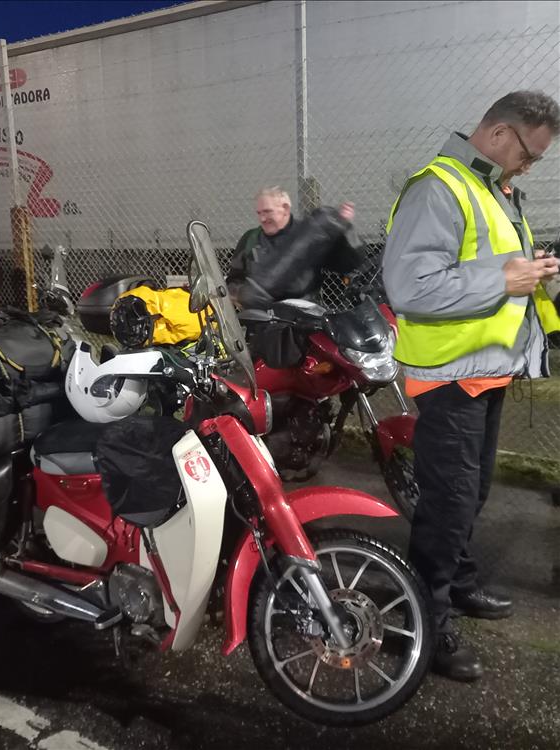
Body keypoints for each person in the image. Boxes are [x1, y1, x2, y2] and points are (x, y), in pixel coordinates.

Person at [382, 91, 560, 682]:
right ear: (501, 134)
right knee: (448, 504)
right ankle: (419, 625)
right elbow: (411, 287)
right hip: (450, 378)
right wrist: (506, 276)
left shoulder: (491, 188)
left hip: (485, 373)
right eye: (529, 155)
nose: (529, 167)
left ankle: (453, 586)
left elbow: (492, 273)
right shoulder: (437, 187)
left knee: (468, 497)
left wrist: (532, 273)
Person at [227, 187, 365, 310]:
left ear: (285, 208)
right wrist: (241, 294)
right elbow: (234, 279)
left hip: (304, 318)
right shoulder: (250, 239)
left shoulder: (310, 236)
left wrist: (344, 229)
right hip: (262, 321)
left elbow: (347, 264)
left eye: (267, 212)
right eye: (259, 213)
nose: (262, 218)